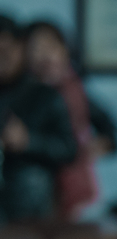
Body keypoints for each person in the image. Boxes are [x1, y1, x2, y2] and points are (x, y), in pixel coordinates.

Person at [25, 19, 117, 221]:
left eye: (51, 46)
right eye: (37, 48)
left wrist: (102, 143)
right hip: (37, 186)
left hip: (76, 186)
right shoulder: (22, 93)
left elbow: (109, 126)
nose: (46, 55)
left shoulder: (75, 89)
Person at [0, 15, 76, 223]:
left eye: (6, 51)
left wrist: (28, 141)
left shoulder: (45, 95)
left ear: (21, 48)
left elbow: (69, 149)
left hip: (31, 208)